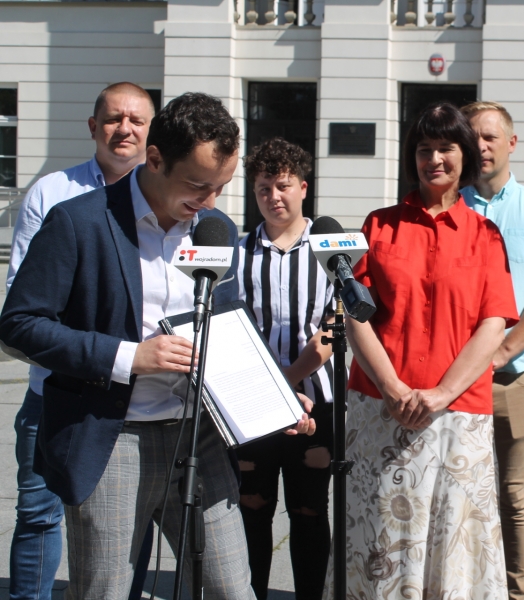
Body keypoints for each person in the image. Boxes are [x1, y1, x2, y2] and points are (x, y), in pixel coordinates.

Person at [0, 91, 314, 599]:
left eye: (221, 187)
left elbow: (225, 327)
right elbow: (20, 324)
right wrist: (128, 357)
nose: (210, 202)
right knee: (105, 590)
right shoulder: (79, 221)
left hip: (199, 436)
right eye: (198, 185)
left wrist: (272, 393)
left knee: (231, 589)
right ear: (155, 159)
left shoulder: (214, 230)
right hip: (112, 437)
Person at [323, 102, 519, 598]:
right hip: (380, 408)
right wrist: (392, 387)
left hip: (458, 416)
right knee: (379, 541)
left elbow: (493, 322)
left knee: (454, 545)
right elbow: (354, 312)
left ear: (464, 154)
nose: (434, 159)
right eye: (424, 149)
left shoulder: (485, 235)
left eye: (446, 148)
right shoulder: (378, 226)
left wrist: (442, 393)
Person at [6, 81, 156, 600]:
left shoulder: (163, 200)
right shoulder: (54, 193)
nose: (125, 129)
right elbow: (25, 302)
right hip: (54, 392)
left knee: (129, 529)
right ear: (94, 126)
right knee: (39, 514)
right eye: (114, 119)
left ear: (151, 133)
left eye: (136, 121)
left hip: (135, 406)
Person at [459, 100, 524, 600]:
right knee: (459, 493)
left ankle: (518, 595)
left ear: (511, 143)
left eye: (491, 136)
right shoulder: (449, 207)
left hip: (513, 376)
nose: (481, 146)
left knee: (513, 495)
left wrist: (502, 353)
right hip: (454, 380)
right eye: (473, 136)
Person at [237, 137, 335, 600]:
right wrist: (273, 391)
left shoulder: (330, 251)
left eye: (282, 185)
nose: (273, 196)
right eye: (263, 188)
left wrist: (289, 382)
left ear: (303, 188)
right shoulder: (238, 252)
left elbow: (333, 331)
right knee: (251, 506)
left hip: (316, 404)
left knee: (309, 509)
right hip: (250, 406)